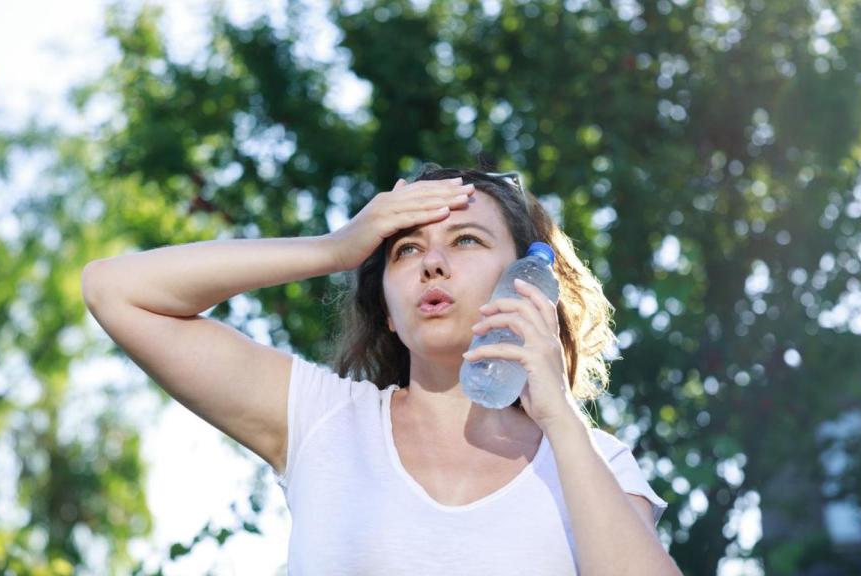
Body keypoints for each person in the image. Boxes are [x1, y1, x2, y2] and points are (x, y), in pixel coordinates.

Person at [81, 164, 681, 575]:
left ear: (527, 280)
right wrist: (333, 248)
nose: (433, 264)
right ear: (389, 314)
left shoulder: (591, 462)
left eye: (466, 240)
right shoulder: (322, 421)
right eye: (406, 249)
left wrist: (557, 415)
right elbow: (115, 290)